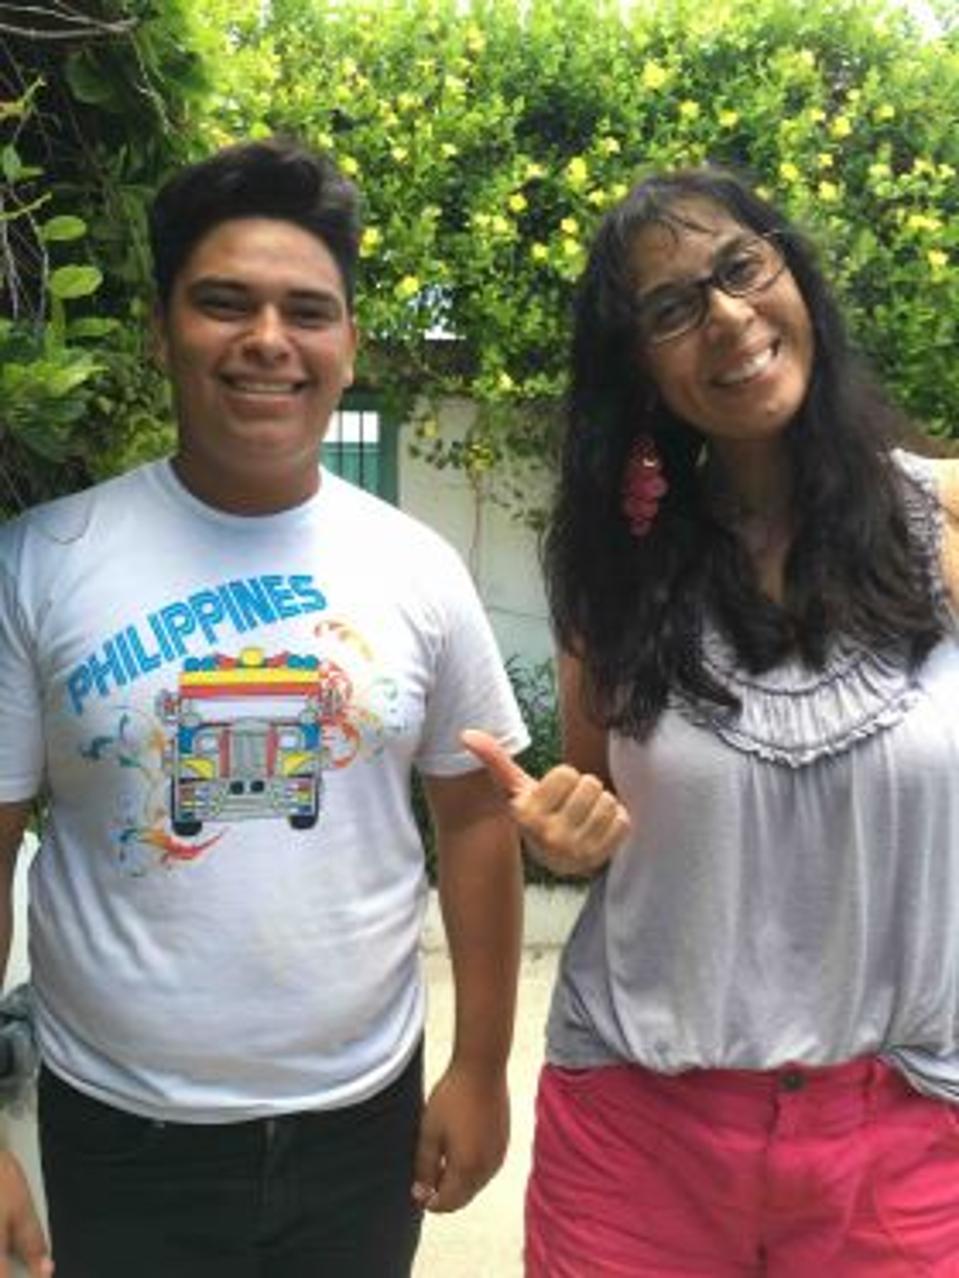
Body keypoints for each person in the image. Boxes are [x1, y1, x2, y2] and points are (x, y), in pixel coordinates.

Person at [0, 136, 528, 1278]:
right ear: (160, 329)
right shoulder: (40, 563)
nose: (267, 342)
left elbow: (477, 819)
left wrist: (481, 1068)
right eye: (223, 303)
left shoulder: (417, 566)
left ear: (346, 344)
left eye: (308, 311)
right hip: (118, 1132)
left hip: (362, 1125)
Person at [467, 167, 959, 1275]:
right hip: (639, 1137)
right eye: (671, 308)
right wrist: (562, 835)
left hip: (900, 1135)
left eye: (740, 268)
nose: (727, 317)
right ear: (638, 368)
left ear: (793, 275)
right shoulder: (612, 571)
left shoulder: (942, 518)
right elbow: (595, 811)